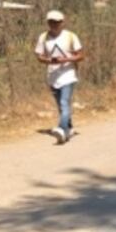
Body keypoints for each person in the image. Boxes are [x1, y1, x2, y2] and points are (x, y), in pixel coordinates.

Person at [35, 10, 84, 144]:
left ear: (62, 23)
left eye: (57, 22)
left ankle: (61, 129)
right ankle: (69, 128)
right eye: (51, 22)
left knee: (64, 102)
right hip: (53, 76)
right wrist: (50, 60)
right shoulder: (43, 37)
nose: (54, 25)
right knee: (61, 105)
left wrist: (66, 59)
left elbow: (81, 55)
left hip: (68, 75)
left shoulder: (71, 36)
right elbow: (39, 56)